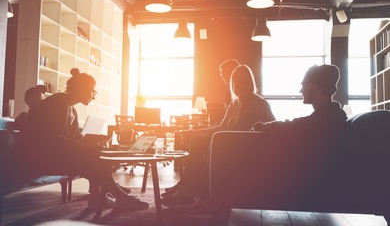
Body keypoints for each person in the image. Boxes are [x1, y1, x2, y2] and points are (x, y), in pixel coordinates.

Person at [19, 68, 148, 210]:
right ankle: (112, 196)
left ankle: (102, 196)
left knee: (96, 153)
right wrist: (81, 144)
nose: (94, 96)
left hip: (51, 156)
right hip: (37, 159)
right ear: (81, 88)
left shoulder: (71, 108)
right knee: (93, 157)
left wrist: (96, 143)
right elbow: (49, 140)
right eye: (93, 91)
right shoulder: (58, 102)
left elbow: (76, 138)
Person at [162, 64, 276, 208]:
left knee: (203, 143)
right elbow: (221, 127)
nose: (240, 84)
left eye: (244, 80)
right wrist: (194, 132)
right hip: (228, 146)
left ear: (250, 82)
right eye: (237, 81)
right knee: (199, 140)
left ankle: (188, 190)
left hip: (246, 149)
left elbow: (271, 129)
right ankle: (186, 189)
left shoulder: (260, 104)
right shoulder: (234, 104)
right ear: (233, 84)